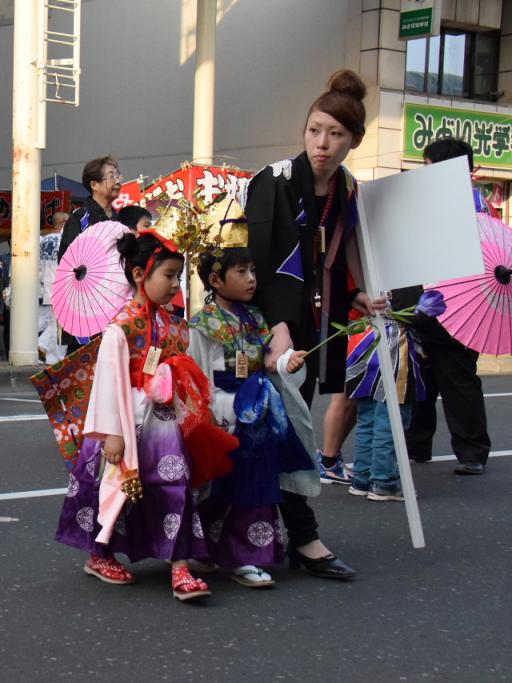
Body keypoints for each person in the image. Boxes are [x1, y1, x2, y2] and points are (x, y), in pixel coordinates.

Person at [242, 69, 387, 580]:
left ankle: (249, 536)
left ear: (354, 141)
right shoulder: (275, 180)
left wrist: (360, 293)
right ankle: (303, 539)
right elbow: (260, 259)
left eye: (335, 135)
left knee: (270, 431)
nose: (322, 144)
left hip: (313, 319)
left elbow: (343, 250)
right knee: (281, 427)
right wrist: (275, 325)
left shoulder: (347, 187)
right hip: (256, 324)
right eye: (314, 131)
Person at [55, 228, 236, 602]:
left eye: (176, 277)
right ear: (140, 276)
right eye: (168, 276)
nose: (174, 285)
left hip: (164, 420)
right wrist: (112, 434)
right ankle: (99, 553)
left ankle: (180, 564)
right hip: (126, 418)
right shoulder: (120, 327)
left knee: (175, 485)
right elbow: (106, 383)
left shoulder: (171, 322)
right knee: (111, 487)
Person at [189, 239, 315, 588]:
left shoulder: (256, 317)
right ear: (216, 281)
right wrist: (213, 412)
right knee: (220, 485)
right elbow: (198, 374)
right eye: (241, 271)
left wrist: (289, 362)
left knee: (256, 482)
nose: (251, 279)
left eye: (253, 271)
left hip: (258, 410)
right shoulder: (203, 324)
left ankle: (244, 555)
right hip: (226, 409)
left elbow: (270, 361)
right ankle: (212, 548)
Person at [402, 138, 492, 476]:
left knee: (457, 381)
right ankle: (418, 445)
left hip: (458, 306)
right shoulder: (442, 201)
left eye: (427, 166)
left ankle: (472, 451)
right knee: (421, 381)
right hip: (429, 302)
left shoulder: (468, 205)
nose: (423, 172)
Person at [345, 304, 425, 501]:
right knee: (390, 421)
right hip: (393, 342)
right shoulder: (402, 277)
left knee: (368, 418)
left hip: (363, 336)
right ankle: (384, 481)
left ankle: (362, 478)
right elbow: (414, 310)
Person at [57, 156, 122, 351]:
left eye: (117, 175)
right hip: (85, 310)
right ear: (94, 184)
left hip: (118, 307)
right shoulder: (80, 219)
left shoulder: (122, 220)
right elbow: (68, 264)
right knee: (83, 371)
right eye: (111, 176)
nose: (118, 180)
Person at [38, 211, 68, 363]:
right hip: (61, 285)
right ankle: (43, 346)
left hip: (45, 284)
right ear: (64, 223)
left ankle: (46, 350)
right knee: (59, 323)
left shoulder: (43, 241)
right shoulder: (64, 240)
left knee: (52, 321)